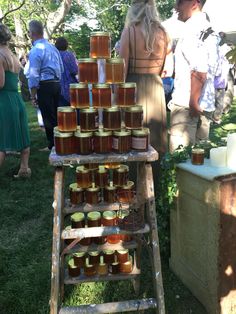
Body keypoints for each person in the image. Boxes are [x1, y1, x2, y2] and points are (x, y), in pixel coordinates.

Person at [119, 0, 173, 155]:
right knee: (154, 138)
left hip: (132, 87)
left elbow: (122, 70)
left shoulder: (129, 32)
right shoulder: (164, 33)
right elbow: (167, 71)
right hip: (156, 88)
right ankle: (153, 177)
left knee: (131, 134)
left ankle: (131, 178)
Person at [168, 0, 220, 152]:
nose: (176, 6)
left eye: (180, 2)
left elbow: (199, 70)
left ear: (194, 3)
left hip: (188, 104)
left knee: (180, 160)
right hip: (206, 103)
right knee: (199, 161)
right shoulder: (210, 29)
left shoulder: (192, 29)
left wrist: (193, 102)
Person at [27, 20, 64, 151]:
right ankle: (60, 142)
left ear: (32, 33)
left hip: (45, 85)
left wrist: (33, 95)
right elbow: (61, 68)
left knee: (48, 117)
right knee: (56, 115)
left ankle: (53, 146)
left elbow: (33, 75)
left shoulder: (35, 50)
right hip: (56, 84)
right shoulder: (52, 48)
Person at [0, 23, 31, 177]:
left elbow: (0, 83)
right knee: (22, 135)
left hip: (4, 100)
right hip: (16, 99)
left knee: (1, 141)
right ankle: (24, 169)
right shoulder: (12, 55)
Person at [55, 37, 78, 106]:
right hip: (69, 87)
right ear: (66, 45)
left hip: (57, 86)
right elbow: (74, 70)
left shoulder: (53, 56)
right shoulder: (69, 55)